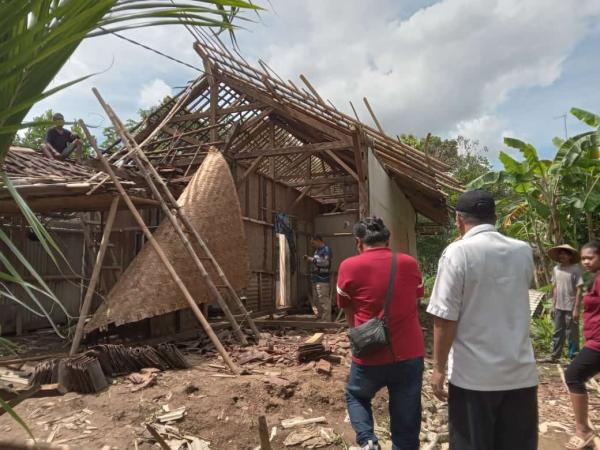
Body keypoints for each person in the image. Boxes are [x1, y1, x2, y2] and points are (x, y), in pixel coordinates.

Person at [427, 190, 538, 450]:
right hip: (520, 374)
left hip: (474, 378)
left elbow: (444, 318)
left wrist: (438, 368)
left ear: (458, 220)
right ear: (496, 218)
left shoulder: (457, 253)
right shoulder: (523, 251)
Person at [337, 217, 424, 450]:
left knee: (356, 395)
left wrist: (356, 332)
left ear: (358, 243)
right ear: (388, 239)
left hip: (369, 351)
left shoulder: (349, 266)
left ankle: (367, 442)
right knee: (407, 417)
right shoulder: (409, 263)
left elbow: (346, 306)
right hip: (409, 351)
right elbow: (416, 298)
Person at [564, 241, 600, 449]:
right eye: (583, 258)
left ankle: (583, 431)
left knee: (573, 375)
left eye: (590, 257)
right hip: (593, 339)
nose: (586, 261)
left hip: (598, 343)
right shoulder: (592, 278)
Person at [548, 244, 584, 362]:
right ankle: (555, 355)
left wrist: (576, 309)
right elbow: (555, 288)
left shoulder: (575, 269)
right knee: (557, 331)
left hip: (571, 306)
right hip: (559, 306)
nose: (562, 256)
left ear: (570, 256)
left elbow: (579, 289)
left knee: (572, 333)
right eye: (560, 254)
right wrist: (553, 305)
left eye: (564, 254)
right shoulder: (556, 269)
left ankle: (573, 357)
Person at [304, 235, 332, 321]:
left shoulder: (326, 250)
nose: (312, 245)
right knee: (316, 300)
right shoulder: (317, 251)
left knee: (323, 300)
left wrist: (312, 259)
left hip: (323, 279)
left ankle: (326, 320)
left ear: (318, 240)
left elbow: (326, 263)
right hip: (315, 279)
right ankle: (320, 318)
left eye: (313, 243)